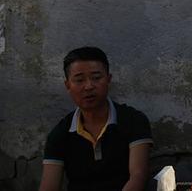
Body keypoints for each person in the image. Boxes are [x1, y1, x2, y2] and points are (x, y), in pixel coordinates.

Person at [39, 47, 153, 191]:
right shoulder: (60, 134)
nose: (88, 86)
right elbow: (49, 186)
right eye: (79, 80)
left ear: (108, 80)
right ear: (68, 86)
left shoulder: (133, 120)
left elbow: (138, 176)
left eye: (96, 78)